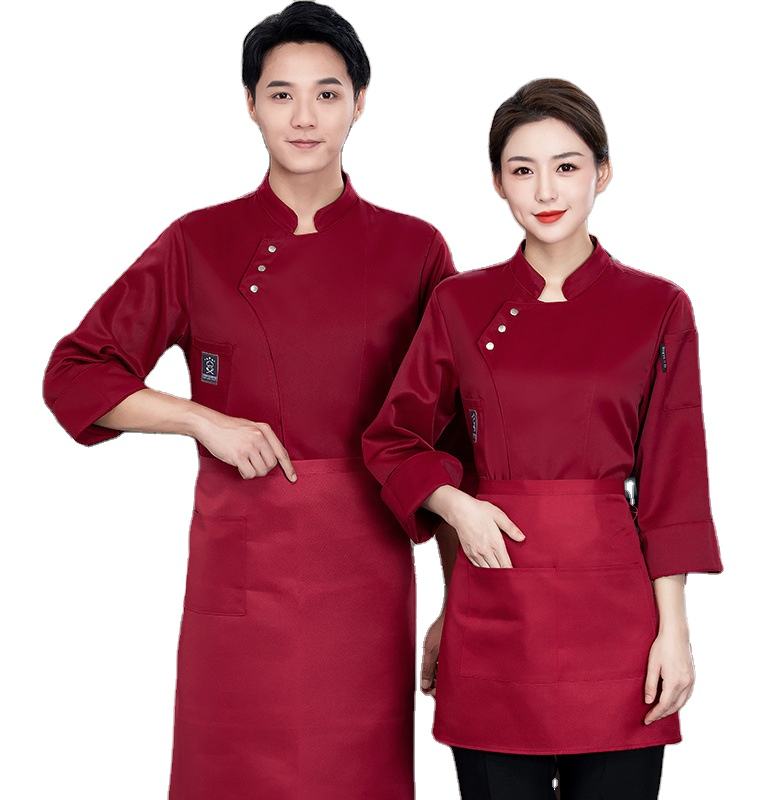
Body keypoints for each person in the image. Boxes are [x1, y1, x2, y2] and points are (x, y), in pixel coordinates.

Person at [41, 3, 474, 798]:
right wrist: (198, 419)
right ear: (250, 104)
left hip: (364, 582)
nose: (304, 117)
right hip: (239, 573)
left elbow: (449, 445)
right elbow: (75, 372)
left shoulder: (415, 249)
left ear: (360, 102)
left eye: (327, 93)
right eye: (281, 94)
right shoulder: (197, 241)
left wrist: (460, 602)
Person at [361, 77, 724, 799]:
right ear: (498, 183)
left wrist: (675, 631)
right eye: (523, 170)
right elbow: (394, 438)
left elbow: (674, 478)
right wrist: (457, 505)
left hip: (617, 617)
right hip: (494, 606)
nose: (546, 189)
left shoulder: (659, 306)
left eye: (567, 166)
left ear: (602, 172)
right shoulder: (458, 303)